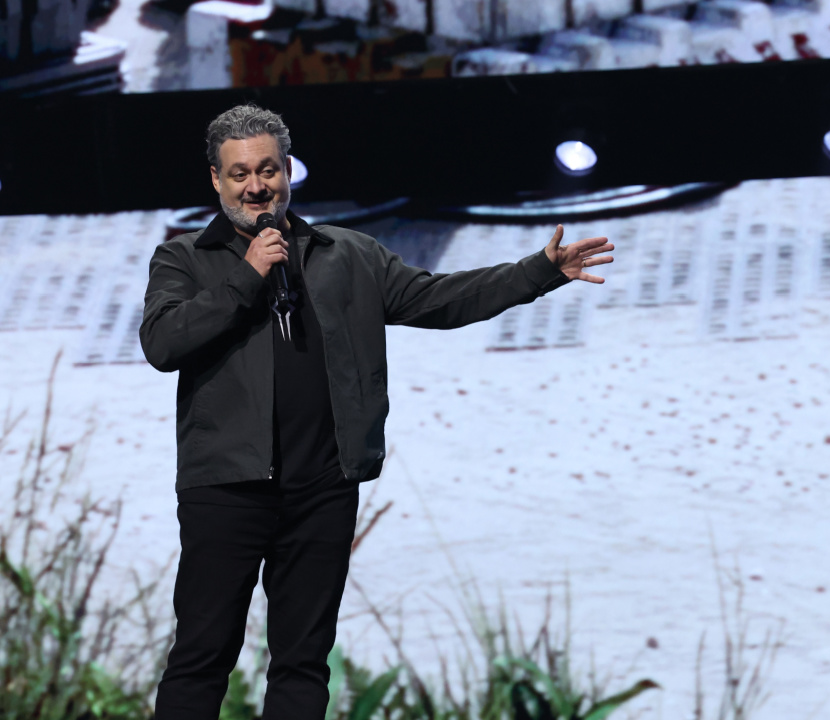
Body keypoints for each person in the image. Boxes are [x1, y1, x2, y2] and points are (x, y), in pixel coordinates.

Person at [140, 104, 614, 718]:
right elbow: (162, 344)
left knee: (303, 662)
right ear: (215, 180)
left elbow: (441, 299)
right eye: (239, 174)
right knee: (202, 656)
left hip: (321, 488)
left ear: (287, 171)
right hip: (225, 488)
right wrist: (246, 278)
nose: (255, 186)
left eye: (267, 170)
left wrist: (540, 271)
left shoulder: (350, 254)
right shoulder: (182, 260)